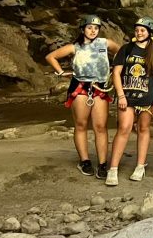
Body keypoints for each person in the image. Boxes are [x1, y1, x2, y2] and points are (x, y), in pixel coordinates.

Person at [46, 13, 121, 179]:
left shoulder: (105, 43)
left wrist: (116, 68)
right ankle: (85, 161)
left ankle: (102, 164)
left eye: (96, 28)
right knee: (81, 124)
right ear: (83, 29)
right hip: (80, 87)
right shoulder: (75, 47)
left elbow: (121, 53)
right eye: (89, 27)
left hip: (100, 87)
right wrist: (61, 72)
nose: (93, 31)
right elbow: (51, 57)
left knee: (100, 126)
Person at [104, 16, 153, 186]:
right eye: (137, 30)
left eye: (142, 30)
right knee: (124, 128)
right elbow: (116, 73)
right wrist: (121, 95)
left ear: (149, 32)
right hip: (128, 97)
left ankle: (140, 166)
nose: (139, 33)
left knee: (144, 129)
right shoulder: (126, 49)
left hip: (147, 97)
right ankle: (113, 168)